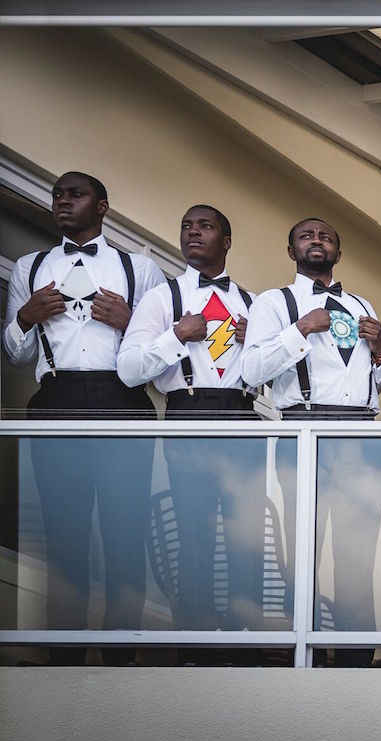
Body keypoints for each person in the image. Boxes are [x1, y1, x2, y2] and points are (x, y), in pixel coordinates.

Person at [3, 171, 165, 666]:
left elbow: (159, 355)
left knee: (124, 537)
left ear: (103, 205)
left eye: (76, 194)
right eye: (57, 194)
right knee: (63, 540)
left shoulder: (142, 269)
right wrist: (26, 317)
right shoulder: (29, 268)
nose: (63, 201)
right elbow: (14, 355)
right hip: (56, 401)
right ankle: (64, 670)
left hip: (123, 398)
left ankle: (121, 668)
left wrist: (129, 319)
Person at [118, 205, 268, 662]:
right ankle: (195, 647)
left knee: (247, 535)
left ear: (226, 241)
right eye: (186, 226)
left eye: (205, 226)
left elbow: (274, 377)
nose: (192, 233)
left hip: (244, 415)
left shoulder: (253, 303)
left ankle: (248, 646)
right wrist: (176, 337)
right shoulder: (162, 299)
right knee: (194, 532)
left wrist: (256, 347)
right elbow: (128, 370)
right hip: (188, 413)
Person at [242, 217, 381, 667]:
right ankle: (296, 657)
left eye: (326, 236)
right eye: (306, 236)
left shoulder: (361, 303)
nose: (317, 241)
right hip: (304, 428)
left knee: (359, 553)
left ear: (338, 254)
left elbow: (372, 384)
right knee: (303, 547)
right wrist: (300, 328)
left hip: (361, 433)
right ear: (291, 252)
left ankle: (354, 663)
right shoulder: (274, 303)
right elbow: (251, 371)